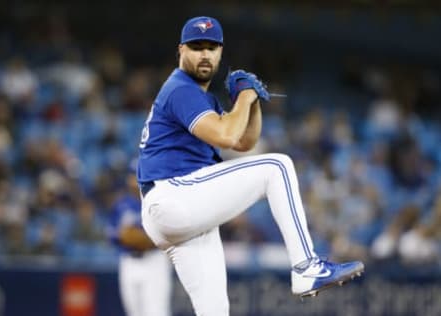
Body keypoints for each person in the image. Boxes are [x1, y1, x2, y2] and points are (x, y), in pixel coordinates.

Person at [137, 16, 364, 316]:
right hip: (173, 196)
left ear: (220, 52)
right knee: (277, 166)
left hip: (180, 213)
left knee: (215, 311)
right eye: (196, 47)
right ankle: (306, 267)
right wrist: (244, 94)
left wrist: (253, 102)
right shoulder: (181, 89)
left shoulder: (201, 99)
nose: (204, 54)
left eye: (211, 47)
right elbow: (227, 133)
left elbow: (243, 142)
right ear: (180, 51)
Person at [108, 165, 172, 316]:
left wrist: (142, 239)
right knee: (134, 312)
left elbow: (167, 234)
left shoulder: (160, 202)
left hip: (154, 261)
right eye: (133, 176)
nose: (135, 180)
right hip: (129, 261)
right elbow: (111, 233)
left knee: (157, 312)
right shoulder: (121, 205)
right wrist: (125, 237)